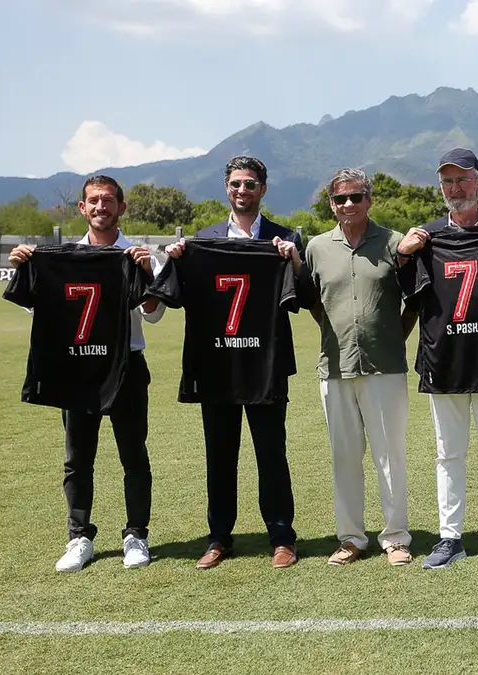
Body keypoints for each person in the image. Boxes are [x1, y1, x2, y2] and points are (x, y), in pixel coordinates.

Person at [8, 175, 164, 572]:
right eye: (93, 200)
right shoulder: (62, 258)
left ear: (121, 207)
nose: (100, 207)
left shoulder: (137, 255)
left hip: (126, 366)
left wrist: (146, 273)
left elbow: (154, 314)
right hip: (76, 367)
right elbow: (38, 309)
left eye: (108, 200)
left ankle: (136, 535)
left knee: (134, 455)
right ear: (82, 207)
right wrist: (28, 267)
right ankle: (79, 537)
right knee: (77, 458)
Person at [162, 156, 303, 570]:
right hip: (218, 364)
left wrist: (294, 259)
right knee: (219, 455)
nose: (243, 190)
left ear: (263, 189)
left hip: (265, 363)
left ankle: (282, 537)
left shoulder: (284, 238)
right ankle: (219, 537)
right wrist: (176, 258)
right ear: (227, 187)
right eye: (236, 183)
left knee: (271, 454)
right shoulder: (202, 241)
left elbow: (305, 297)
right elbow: (171, 297)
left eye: (251, 184)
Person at [395, 148, 478, 570]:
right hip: (443, 357)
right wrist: (403, 255)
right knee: (447, 454)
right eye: (448, 181)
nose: (456, 188)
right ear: (441, 187)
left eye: (463, 179)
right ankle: (450, 537)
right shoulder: (426, 236)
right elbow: (407, 292)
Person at [301, 168, 419, 567]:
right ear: (331, 204)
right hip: (334, 368)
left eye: (356, 196)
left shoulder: (394, 243)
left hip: (385, 367)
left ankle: (396, 538)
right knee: (344, 458)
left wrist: (394, 337)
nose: (348, 204)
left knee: (390, 456)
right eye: (340, 198)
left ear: (369, 199)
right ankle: (351, 538)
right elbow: (314, 301)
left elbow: (414, 302)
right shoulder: (317, 247)